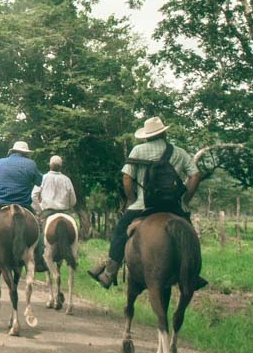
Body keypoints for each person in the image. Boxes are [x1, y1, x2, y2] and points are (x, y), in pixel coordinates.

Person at [87, 116, 206, 289]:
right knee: (190, 236)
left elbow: (127, 177)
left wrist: (132, 199)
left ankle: (109, 272)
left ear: (147, 135)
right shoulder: (179, 152)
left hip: (143, 206)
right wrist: (185, 199)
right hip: (173, 206)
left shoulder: (138, 150)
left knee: (120, 231)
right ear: (164, 133)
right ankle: (193, 274)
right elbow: (195, 175)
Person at [0, 140, 45, 270]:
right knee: (39, 227)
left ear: (12, 151)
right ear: (26, 153)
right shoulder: (31, 164)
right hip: (23, 204)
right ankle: (38, 260)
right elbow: (40, 181)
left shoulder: (0, 162)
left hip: (0, 203)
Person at [32, 155, 77, 222]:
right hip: (64, 211)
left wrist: (39, 210)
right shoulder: (66, 180)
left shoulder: (42, 178)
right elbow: (73, 201)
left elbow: (33, 196)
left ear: (49, 165)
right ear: (60, 167)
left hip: (47, 212)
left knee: (39, 229)